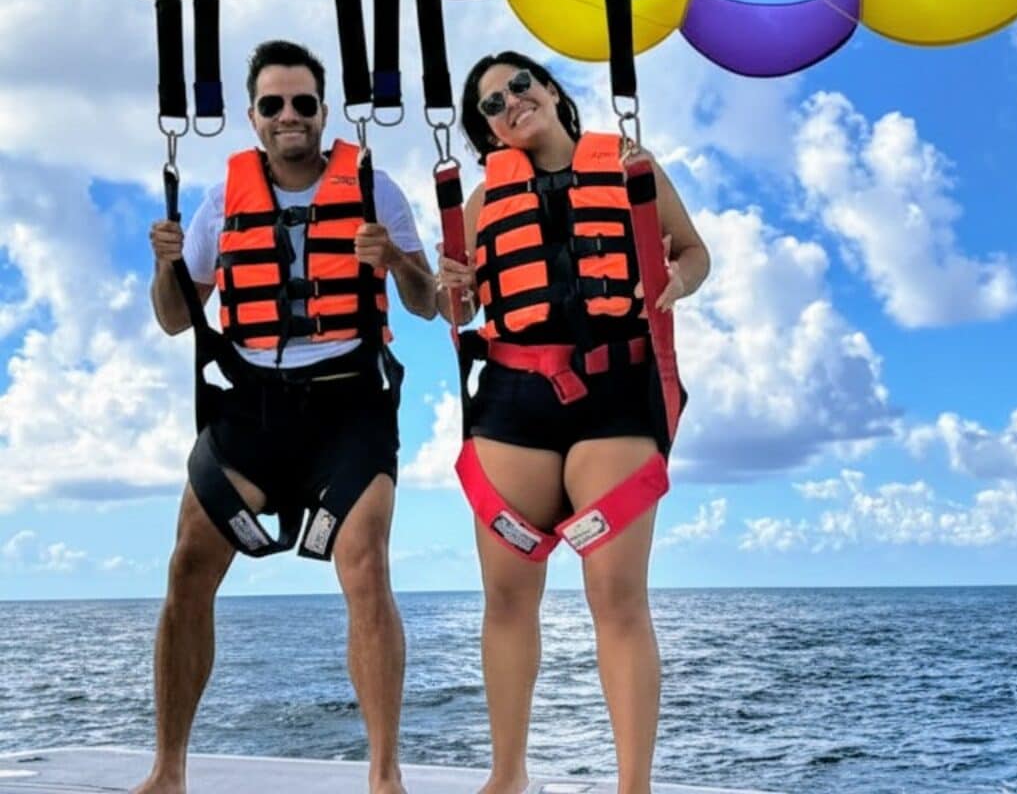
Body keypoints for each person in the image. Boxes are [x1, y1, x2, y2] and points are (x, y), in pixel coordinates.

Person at [138, 40, 435, 794]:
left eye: (303, 102)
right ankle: (168, 770)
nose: (289, 116)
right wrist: (165, 264)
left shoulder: (375, 187)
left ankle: (383, 775)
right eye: (274, 104)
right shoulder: (221, 199)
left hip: (349, 406)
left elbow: (429, 302)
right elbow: (177, 320)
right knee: (187, 567)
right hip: (250, 409)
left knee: (364, 566)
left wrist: (394, 260)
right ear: (253, 117)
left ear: (324, 111)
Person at [436, 51, 710, 794]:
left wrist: (677, 278)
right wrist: (447, 285)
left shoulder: (627, 165)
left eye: (519, 85)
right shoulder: (483, 203)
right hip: (514, 400)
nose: (511, 102)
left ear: (550, 89)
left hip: (615, 393)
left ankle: (633, 786)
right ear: (486, 133)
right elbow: (449, 307)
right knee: (506, 597)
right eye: (491, 105)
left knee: (616, 598)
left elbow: (694, 251)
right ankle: (507, 775)